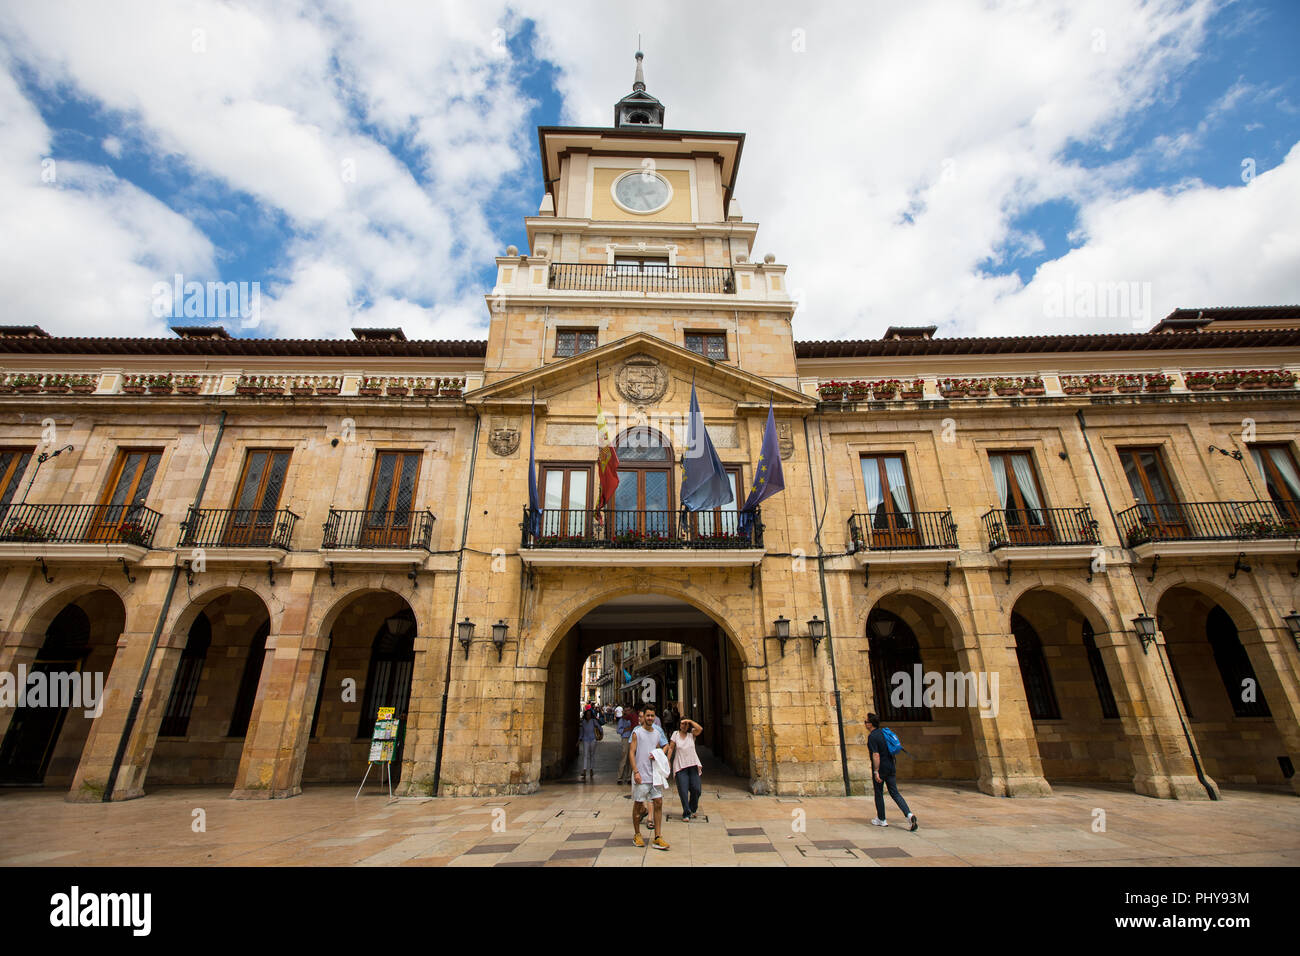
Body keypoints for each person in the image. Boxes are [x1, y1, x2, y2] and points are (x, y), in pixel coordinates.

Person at [866, 713, 917, 831]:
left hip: (881, 768)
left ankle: (881, 819)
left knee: (878, 793)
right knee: (895, 793)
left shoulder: (873, 736)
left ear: (870, 724)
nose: (865, 724)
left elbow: (876, 755)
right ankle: (909, 815)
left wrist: (876, 771)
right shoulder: (884, 733)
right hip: (891, 765)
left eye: (866, 722)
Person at [629, 705, 670, 850]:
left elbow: (664, 746)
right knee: (639, 805)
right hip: (641, 774)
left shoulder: (657, 734)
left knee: (658, 803)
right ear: (643, 716)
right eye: (648, 715)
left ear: (655, 717)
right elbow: (631, 752)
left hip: (655, 776)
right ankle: (637, 834)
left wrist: (659, 754)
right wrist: (635, 772)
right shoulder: (637, 733)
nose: (650, 718)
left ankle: (658, 837)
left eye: (652, 716)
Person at [669, 716, 704, 821]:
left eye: (686, 724)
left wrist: (690, 721)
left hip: (693, 765)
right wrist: (667, 761)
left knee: (697, 789)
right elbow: (671, 748)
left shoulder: (691, 734)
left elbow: (700, 729)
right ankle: (686, 812)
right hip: (680, 766)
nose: (684, 726)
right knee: (683, 791)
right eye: (682, 723)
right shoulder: (675, 735)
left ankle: (693, 808)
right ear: (679, 724)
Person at [578, 706, 602, 781]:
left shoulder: (593, 721)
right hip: (585, 739)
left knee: (592, 754)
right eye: (587, 714)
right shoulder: (583, 722)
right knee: (585, 754)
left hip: (593, 739)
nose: (588, 716)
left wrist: (600, 733)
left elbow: (600, 728)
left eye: (589, 714)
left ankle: (591, 768)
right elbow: (581, 732)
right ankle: (584, 770)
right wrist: (579, 739)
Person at [615, 707, 634, 784]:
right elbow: (618, 730)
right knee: (624, 757)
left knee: (631, 757)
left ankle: (629, 777)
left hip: (632, 738)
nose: (627, 712)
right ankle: (620, 777)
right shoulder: (622, 720)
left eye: (628, 710)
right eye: (625, 711)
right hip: (625, 738)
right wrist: (626, 729)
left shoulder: (632, 719)